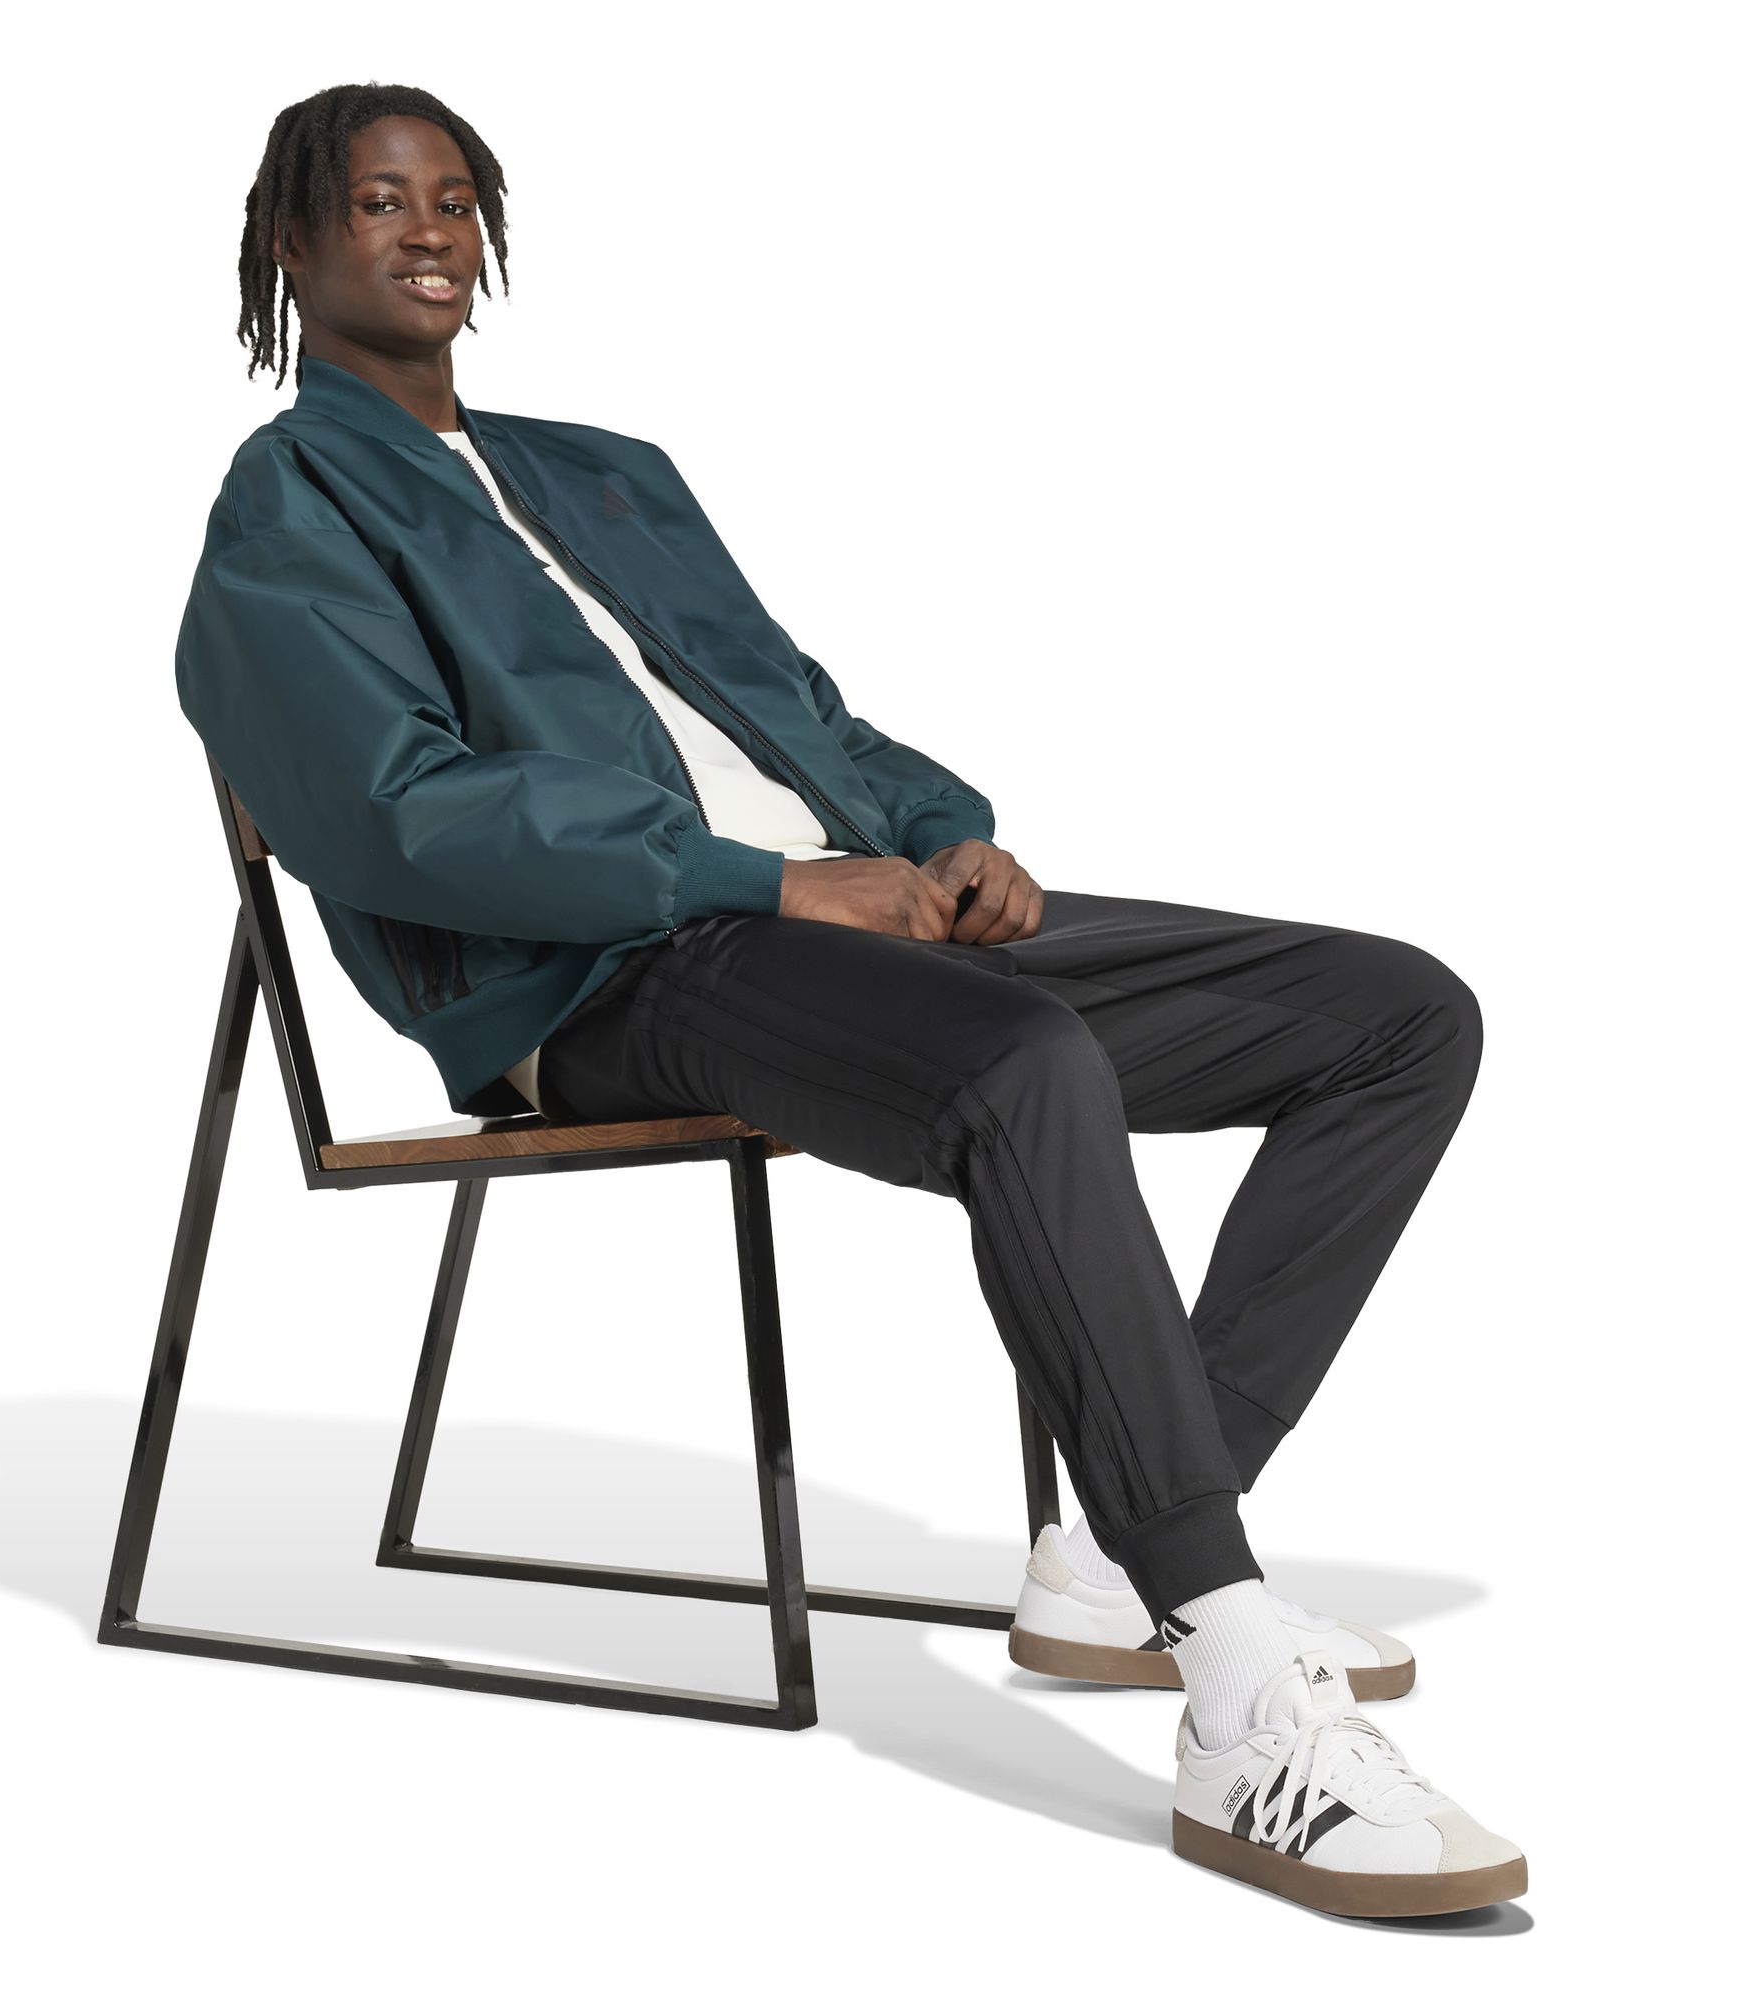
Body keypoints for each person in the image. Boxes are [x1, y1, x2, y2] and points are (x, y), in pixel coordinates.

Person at [174, 81, 1526, 1920]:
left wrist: (944, 831)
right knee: (1023, 1064)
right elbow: (405, 812)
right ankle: (1232, 1677)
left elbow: (797, 708)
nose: (430, 231)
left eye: (458, 199)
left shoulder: (607, 471)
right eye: (378, 199)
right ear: (292, 239)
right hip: (613, 973)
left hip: (852, 922)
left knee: (1394, 1018)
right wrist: (766, 883)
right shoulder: (286, 507)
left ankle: (1131, 1553)